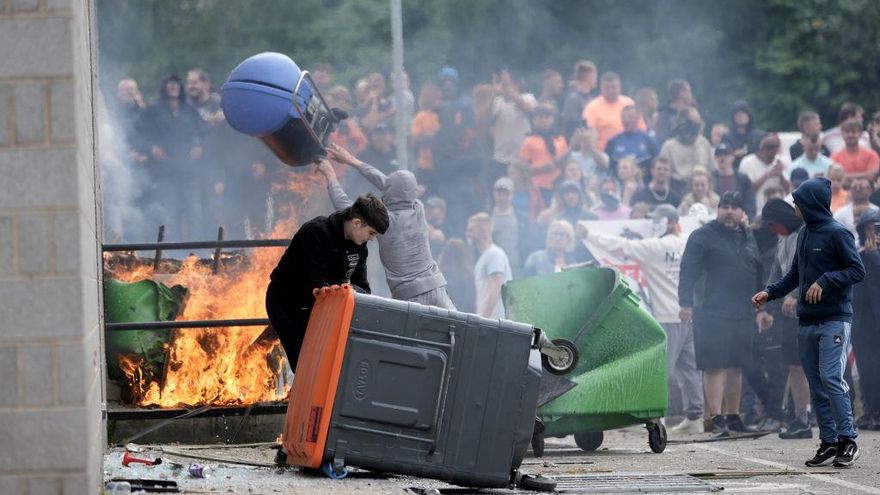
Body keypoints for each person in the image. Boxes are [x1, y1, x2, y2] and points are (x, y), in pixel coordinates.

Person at [753, 177, 866, 468]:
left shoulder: (838, 233)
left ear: (811, 204)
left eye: (798, 202)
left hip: (834, 319)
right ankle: (828, 442)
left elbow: (857, 270)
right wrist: (770, 293)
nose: (795, 208)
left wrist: (826, 281)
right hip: (807, 321)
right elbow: (794, 274)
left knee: (831, 378)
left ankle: (848, 440)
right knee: (816, 384)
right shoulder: (804, 234)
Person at [584, 204, 704, 433]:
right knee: (690, 369)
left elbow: (623, 246)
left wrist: (589, 235)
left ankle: (657, 417)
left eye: (657, 219)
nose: (653, 223)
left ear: (671, 222)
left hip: (668, 316)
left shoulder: (655, 247)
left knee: (661, 370)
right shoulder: (688, 243)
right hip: (690, 314)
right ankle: (695, 417)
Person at [321, 144, 455, 309]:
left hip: (410, 297)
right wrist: (352, 161)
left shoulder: (383, 223)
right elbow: (397, 188)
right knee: (455, 325)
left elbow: (344, 205)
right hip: (437, 287)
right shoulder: (417, 208)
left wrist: (330, 176)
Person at [266, 194, 389, 367]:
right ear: (356, 223)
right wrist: (341, 292)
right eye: (371, 233)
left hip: (322, 305)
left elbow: (363, 287)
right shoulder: (316, 232)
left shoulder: (360, 246)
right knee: (306, 362)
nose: (372, 239)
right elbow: (317, 286)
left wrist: (352, 293)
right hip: (287, 303)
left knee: (330, 361)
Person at [679, 191, 763, 435]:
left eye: (734, 207)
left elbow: (757, 269)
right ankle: (715, 418)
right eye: (724, 206)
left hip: (742, 309)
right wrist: (685, 303)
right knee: (714, 365)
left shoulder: (747, 236)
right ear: (717, 210)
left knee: (736, 364)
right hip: (710, 310)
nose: (729, 211)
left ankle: (733, 416)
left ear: (742, 212)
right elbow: (688, 271)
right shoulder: (702, 236)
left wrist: (762, 305)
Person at [759, 199, 812, 439]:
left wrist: (795, 294)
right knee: (795, 365)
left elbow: (812, 270)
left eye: (773, 224)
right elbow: (776, 275)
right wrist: (765, 305)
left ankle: (823, 417)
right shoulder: (783, 240)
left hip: (812, 310)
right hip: (791, 315)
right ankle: (801, 419)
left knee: (814, 367)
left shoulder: (806, 234)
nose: (772, 230)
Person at [852, 212, 880, 431]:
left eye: (876, 228)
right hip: (862, 322)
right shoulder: (857, 255)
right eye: (868, 229)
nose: (872, 233)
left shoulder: (873, 256)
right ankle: (870, 410)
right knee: (865, 367)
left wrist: (874, 256)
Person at [466, 213, 513, 318]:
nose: (467, 235)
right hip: (490, 321)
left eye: (470, 230)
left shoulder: (494, 254)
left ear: (483, 231)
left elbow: (496, 288)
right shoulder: (484, 257)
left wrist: (484, 318)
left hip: (496, 321)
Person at [520, 103, 568, 204]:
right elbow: (523, 169)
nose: (544, 120)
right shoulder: (529, 141)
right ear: (534, 119)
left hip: (558, 185)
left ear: (552, 119)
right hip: (538, 186)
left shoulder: (560, 140)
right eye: (540, 117)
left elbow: (565, 164)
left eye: (547, 117)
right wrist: (543, 168)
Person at [582, 71, 641, 151]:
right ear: (601, 89)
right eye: (607, 88)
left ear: (620, 87)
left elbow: (641, 127)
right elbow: (588, 135)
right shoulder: (592, 108)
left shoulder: (629, 103)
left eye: (614, 87)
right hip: (602, 153)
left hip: (630, 150)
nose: (611, 91)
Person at [659, 106, 715, 182]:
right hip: (678, 186)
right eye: (694, 123)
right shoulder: (669, 147)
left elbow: (712, 169)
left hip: (702, 185)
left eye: (699, 123)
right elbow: (663, 173)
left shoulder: (704, 143)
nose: (697, 127)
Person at [739, 133, 790, 212]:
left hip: (779, 210)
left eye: (776, 148)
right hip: (757, 210)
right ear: (761, 149)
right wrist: (768, 175)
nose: (773, 152)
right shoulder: (747, 162)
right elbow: (747, 191)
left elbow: (789, 189)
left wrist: (781, 175)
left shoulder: (781, 161)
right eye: (770, 148)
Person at [605, 104, 659, 174]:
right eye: (624, 117)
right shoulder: (613, 141)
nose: (626, 120)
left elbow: (656, 163)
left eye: (630, 117)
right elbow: (607, 166)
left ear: (637, 118)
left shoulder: (648, 140)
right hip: (619, 180)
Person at [833, 177, 878, 243]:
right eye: (854, 187)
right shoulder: (840, 213)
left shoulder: (877, 212)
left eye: (861, 187)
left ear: (870, 190)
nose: (857, 189)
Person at [437, 238, 476, 314]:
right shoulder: (469, 277)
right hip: (465, 317)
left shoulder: (439, 275)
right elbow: (471, 302)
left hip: (443, 315)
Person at [560, 60, 597, 139]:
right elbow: (572, 127)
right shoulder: (573, 99)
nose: (596, 80)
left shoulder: (591, 99)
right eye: (594, 76)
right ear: (588, 76)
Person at [721, 100, 764, 168]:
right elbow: (722, 158)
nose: (740, 115)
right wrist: (734, 154)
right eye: (737, 113)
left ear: (749, 115)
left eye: (743, 112)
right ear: (733, 117)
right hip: (736, 169)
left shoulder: (760, 136)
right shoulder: (727, 138)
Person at [655, 78, 694, 145]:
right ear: (682, 93)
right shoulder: (665, 115)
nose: (691, 94)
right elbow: (662, 139)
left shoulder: (691, 114)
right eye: (689, 91)